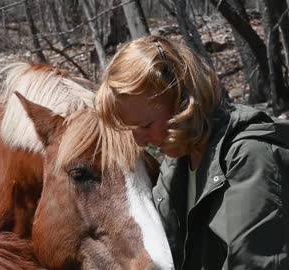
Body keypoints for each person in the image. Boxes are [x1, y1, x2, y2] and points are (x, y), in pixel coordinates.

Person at [95, 35, 289, 269]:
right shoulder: (176, 164)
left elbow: (254, 263)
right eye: (131, 129)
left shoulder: (249, 156)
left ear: (183, 101)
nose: (140, 141)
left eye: (146, 125)